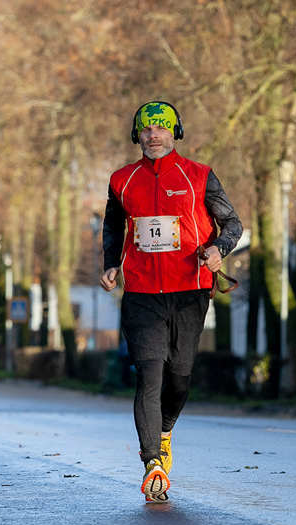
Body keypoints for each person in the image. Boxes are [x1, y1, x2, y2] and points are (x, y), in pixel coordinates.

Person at [100, 100, 242, 502]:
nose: (153, 136)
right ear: (136, 135)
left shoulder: (198, 175)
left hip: (189, 291)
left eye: (161, 129)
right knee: (149, 376)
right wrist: (112, 263)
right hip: (142, 294)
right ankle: (152, 464)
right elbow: (113, 225)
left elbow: (232, 223)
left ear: (174, 133)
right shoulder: (122, 180)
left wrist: (218, 249)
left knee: (179, 375)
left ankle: (165, 432)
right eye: (146, 130)